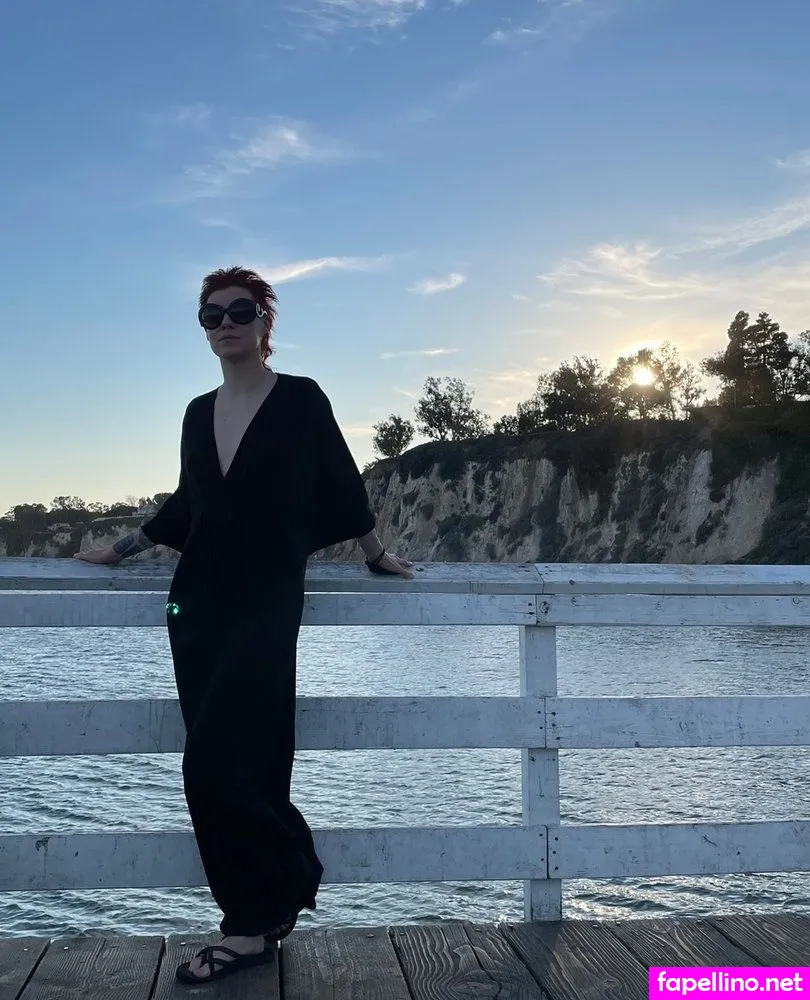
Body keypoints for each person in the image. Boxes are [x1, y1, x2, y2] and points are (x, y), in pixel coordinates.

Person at [74, 265, 414, 984]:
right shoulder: (197, 412)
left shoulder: (300, 399)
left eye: (239, 310)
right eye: (211, 315)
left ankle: (266, 905)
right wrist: (121, 549)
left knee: (214, 765)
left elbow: (342, 483)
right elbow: (186, 504)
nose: (224, 323)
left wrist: (376, 553)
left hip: (265, 603)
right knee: (229, 761)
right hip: (196, 607)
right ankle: (262, 916)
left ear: (265, 322)